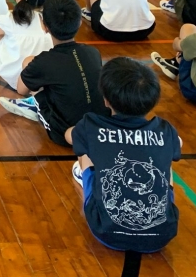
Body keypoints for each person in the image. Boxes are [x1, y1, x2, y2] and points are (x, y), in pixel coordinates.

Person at [67, 58, 180, 256]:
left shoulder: (91, 125)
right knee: (167, 158)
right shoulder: (165, 130)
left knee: (84, 147)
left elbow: (71, 136)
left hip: (106, 232)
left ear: (106, 99)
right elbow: (178, 144)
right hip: (162, 236)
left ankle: (83, 175)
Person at [0, 0, 109, 146]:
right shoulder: (93, 52)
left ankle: (35, 106)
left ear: (44, 26)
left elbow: (21, 89)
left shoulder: (43, 61)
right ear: (79, 23)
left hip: (64, 133)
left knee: (30, 64)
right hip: (101, 128)